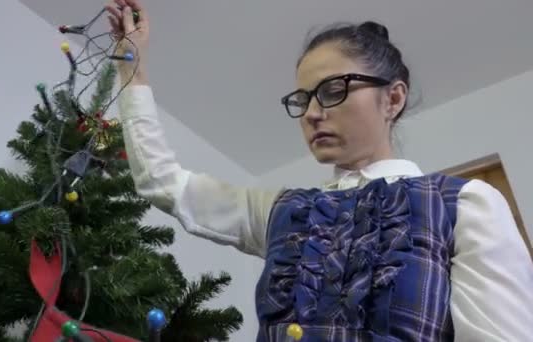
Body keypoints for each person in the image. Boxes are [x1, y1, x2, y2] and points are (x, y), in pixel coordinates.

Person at [105, 1, 533, 341]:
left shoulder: (465, 202)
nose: (311, 113)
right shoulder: (280, 211)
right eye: (303, 99)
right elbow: (162, 182)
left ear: (393, 99)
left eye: (332, 90)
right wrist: (132, 67)